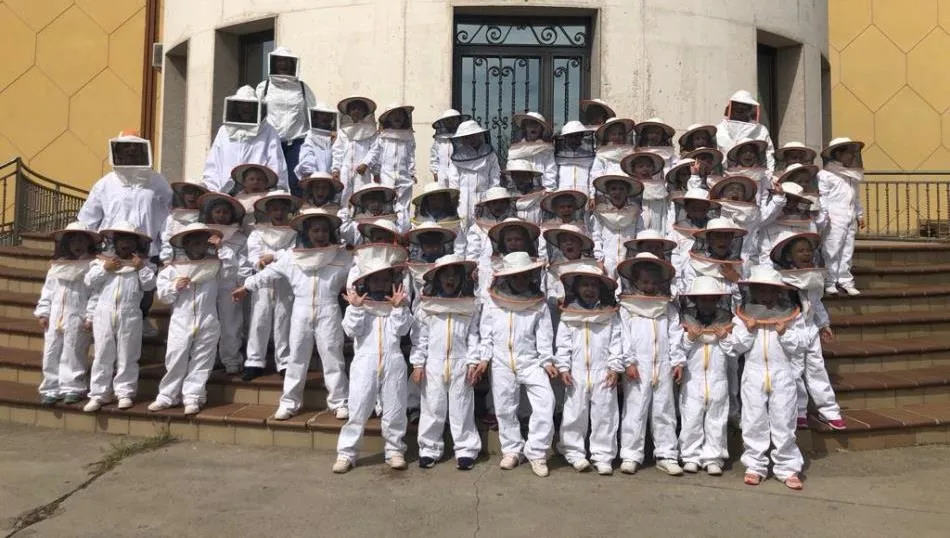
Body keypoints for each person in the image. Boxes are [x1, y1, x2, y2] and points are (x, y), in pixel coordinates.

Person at [234, 208, 352, 420]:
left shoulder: (342, 256)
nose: (321, 235)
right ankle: (290, 402)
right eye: (315, 230)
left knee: (333, 356)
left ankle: (339, 401)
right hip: (300, 310)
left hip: (329, 310)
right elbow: (269, 273)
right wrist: (247, 286)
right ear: (306, 232)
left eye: (325, 230)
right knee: (297, 356)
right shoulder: (291, 256)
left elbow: (356, 277)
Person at [77, 131, 172, 338]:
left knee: (144, 288)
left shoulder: (157, 182)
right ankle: (100, 322)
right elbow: (89, 216)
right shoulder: (105, 184)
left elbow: (168, 217)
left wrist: (167, 250)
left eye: (134, 150)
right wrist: (85, 243)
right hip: (112, 247)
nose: (130, 155)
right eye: (125, 151)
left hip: (146, 247)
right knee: (108, 286)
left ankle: (141, 318)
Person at [720, 265, 807, 490]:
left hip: (782, 373)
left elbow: (801, 345)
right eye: (761, 290)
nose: (765, 295)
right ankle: (755, 465)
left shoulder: (791, 315)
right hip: (754, 372)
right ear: (754, 291)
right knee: (754, 419)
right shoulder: (745, 314)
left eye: (770, 290)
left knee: (784, 420)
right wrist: (747, 331)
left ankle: (787, 467)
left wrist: (784, 333)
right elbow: (735, 348)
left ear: (779, 292)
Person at [479, 251, 556, 477]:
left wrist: (547, 359)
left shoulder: (538, 305)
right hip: (502, 360)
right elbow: (487, 333)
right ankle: (511, 450)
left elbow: (544, 335)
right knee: (504, 408)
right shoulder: (493, 302)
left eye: (525, 276)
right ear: (507, 278)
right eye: (517, 276)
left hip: (530, 360)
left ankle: (537, 452)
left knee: (546, 401)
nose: (521, 280)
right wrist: (485, 358)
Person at [332, 257, 411, 474]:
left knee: (395, 409)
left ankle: (395, 450)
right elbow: (350, 330)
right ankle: (346, 454)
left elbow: (403, 331)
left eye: (384, 279)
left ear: (391, 282)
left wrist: (398, 309)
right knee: (358, 409)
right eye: (374, 280)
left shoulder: (397, 304)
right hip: (364, 361)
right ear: (365, 282)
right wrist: (356, 308)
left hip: (393, 360)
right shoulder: (358, 305)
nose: (379, 284)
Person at [409, 254, 483, 470]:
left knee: (462, 407)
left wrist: (472, 362)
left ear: (462, 279)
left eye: (454, 275)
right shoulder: (426, 306)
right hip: (433, 363)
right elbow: (420, 337)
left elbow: (473, 336)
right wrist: (418, 364)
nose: (450, 279)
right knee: (433, 406)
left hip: (461, 363)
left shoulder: (471, 305)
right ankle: (429, 449)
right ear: (438, 278)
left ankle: (466, 449)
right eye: (446, 275)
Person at [615, 252, 684, 476]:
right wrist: (628, 362)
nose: (650, 286)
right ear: (634, 281)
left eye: (654, 282)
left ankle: (666, 454)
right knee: (635, 409)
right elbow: (623, 337)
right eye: (645, 281)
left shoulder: (668, 309)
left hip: (663, 364)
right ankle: (630, 454)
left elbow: (676, 337)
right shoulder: (626, 309)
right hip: (638, 366)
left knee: (664, 409)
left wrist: (678, 362)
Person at [770, 231, 846, 431]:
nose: (806, 254)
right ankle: (799, 411)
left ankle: (829, 410)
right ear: (788, 256)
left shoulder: (813, 276)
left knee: (816, 368)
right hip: (790, 329)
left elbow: (816, 303)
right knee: (794, 371)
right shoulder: (778, 278)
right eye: (800, 250)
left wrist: (823, 324)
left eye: (808, 250)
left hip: (810, 328)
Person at [555, 265, 624, 475]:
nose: (589, 289)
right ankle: (574, 452)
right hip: (576, 373)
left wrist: (615, 367)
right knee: (575, 413)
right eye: (584, 285)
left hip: (603, 372)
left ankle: (603, 456)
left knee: (605, 414)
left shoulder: (609, 315)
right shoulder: (568, 315)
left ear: (601, 288)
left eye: (594, 285)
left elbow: (617, 342)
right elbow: (563, 345)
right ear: (576, 288)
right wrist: (563, 367)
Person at [148, 223, 223, 415]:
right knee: (175, 358)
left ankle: (193, 397)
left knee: (202, 360)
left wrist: (219, 249)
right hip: (181, 320)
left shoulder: (216, 264)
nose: (198, 245)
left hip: (208, 318)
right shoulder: (171, 271)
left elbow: (231, 272)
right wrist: (175, 286)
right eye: (193, 242)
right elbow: (164, 297)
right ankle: (167, 396)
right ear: (185, 245)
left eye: (201, 241)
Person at [83, 222, 157, 412]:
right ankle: (99, 394)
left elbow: (150, 286)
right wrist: (105, 268)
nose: (126, 244)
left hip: (130, 313)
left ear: (136, 244)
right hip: (104, 313)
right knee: (102, 354)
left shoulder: (143, 264)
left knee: (128, 355)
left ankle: (124, 393)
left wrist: (141, 268)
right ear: (115, 242)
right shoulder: (102, 262)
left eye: (130, 240)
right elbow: (89, 282)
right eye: (122, 240)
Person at [34, 223, 100, 406]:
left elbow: (95, 294)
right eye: (73, 240)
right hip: (55, 316)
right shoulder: (57, 266)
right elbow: (47, 292)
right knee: (51, 352)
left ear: (88, 242)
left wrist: (90, 316)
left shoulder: (93, 266)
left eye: (81, 239)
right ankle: (51, 388)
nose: (77, 244)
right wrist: (43, 312)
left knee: (74, 352)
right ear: (66, 244)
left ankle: (73, 387)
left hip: (77, 316)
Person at [676, 276, 735, 475]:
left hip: (718, 379)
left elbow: (733, 351)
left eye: (711, 299)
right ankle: (690, 456)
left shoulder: (725, 322)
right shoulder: (686, 323)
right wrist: (689, 337)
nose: (707, 303)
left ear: (718, 301)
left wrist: (725, 337)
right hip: (692, 380)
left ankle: (713, 457)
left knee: (717, 419)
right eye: (703, 299)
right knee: (691, 418)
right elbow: (679, 351)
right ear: (695, 301)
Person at [242, 191, 302, 381]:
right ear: (268, 211)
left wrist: (274, 257)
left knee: (283, 320)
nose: (278, 213)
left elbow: (295, 253)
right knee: (259, 319)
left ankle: (284, 361)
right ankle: (254, 361)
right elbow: (252, 256)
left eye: (282, 209)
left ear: (288, 210)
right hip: (262, 282)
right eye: (274, 209)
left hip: (286, 281)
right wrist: (259, 263)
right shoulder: (257, 233)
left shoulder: (295, 233)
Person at [197, 192, 250, 374]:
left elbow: (243, 265)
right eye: (218, 211)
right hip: (205, 285)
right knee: (207, 324)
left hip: (229, 286)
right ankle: (208, 361)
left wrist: (241, 284)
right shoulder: (199, 233)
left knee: (231, 325)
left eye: (225, 213)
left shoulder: (239, 238)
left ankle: (232, 360)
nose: (221, 216)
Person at [255, 47, 317, 196]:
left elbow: (314, 115)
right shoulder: (264, 87)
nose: (284, 65)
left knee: (297, 183)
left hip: (297, 144)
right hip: (270, 143)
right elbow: (255, 115)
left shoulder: (303, 88)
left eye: (287, 61)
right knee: (271, 182)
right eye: (280, 61)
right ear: (274, 63)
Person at [203, 86, 288, 193]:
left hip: (257, 193)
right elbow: (213, 164)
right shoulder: (224, 131)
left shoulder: (268, 131)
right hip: (226, 194)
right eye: (242, 104)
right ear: (236, 106)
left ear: (257, 107)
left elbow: (276, 164)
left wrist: (276, 191)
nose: (245, 108)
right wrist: (213, 190)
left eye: (249, 105)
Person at [819, 137, 865, 296]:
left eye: (853, 153)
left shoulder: (850, 175)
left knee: (847, 251)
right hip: (833, 218)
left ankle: (846, 281)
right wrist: (824, 216)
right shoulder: (825, 175)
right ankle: (830, 282)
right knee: (832, 250)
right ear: (838, 154)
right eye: (848, 153)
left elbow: (855, 197)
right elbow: (822, 198)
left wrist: (860, 215)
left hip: (849, 217)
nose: (852, 156)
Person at [362, 104, 417, 217]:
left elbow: (411, 156)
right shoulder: (382, 137)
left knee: (404, 208)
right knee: (387, 206)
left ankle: (403, 230)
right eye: (394, 115)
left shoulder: (409, 137)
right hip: (387, 176)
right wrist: (369, 166)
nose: (397, 117)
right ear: (388, 118)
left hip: (404, 177)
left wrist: (411, 173)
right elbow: (375, 153)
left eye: (400, 115)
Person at [447, 119, 501, 226]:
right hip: (462, 200)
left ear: (480, 135)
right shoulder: (457, 158)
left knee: (484, 229)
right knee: (462, 228)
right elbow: (454, 184)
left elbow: (495, 180)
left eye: (474, 135)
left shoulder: (490, 155)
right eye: (467, 137)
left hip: (485, 199)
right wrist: (454, 202)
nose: (471, 139)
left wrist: (489, 200)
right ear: (462, 139)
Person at [590, 174, 645, 278]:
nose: (617, 192)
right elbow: (596, 237)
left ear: (627, 192)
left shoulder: (635, 213)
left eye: (621, 189)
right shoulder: (599, 213)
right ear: (607, 191)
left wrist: (635, 259)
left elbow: (640, 237)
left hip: (629, 261)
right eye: (613, 189)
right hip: (607, 261)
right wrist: (599, 260)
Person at [332, 96, 378, 211]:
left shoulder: (371, 131)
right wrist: (336, 169)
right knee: (343, 197)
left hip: (363, 171)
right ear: (348, 112)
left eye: (359, 108)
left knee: (361, 197)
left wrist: (366, 163)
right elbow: (337, 151)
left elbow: (375, 150)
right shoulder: (343, 131)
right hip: (345, 170)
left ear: (365, 111)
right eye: (353, 108)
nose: (356, 111)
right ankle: (343, 225)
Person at [709, 175, 761, 274]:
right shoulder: (714, 211)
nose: (735, 191)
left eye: (739, 189)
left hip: (747, 260)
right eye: (731, 189)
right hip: (718, 260)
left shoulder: (754, 213)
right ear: (722, 194)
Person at [716, 90, 776, 172]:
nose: (740, 109)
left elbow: (769, 155)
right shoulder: (720, 129)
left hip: (756, 177)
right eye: (737, 106)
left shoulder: (761, 130)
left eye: (744, 107)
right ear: (730, 107)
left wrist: (769, 176)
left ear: (750, 109)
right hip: (726, 177)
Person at [160, 179, 209, 264]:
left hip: (204, 264)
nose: (192, 196)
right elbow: (166, 243)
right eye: (189, 192)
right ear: (183, 195)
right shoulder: (172, 218)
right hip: (178, 264)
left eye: (196, 193)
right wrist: (167, 263)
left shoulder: (208, 218)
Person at [506, 111, 557, 191]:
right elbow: (510, 172)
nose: (533, 127)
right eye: (530, 124)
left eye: (536, 124)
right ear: (525, 128)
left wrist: (547, 191)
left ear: (541, 129)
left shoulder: (547, 150)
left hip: (540, 194)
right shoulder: (515, 150)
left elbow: (550, 173)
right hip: (519, 193)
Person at [620, 150, 668, 232]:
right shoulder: (631, 188)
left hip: (658, 227)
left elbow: (664, 213)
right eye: (640, 166)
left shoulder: (660, 188)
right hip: (637, 229)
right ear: (633, 170)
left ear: (653, 168)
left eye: (649, 166)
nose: (645, 169)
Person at [294, 103, 337, 182]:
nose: (325, 117)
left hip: (332, 178)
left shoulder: (336, 137)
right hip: (314, 180)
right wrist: (308, 172)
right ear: (315, 118)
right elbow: (307, 156)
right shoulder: (310, 137)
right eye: (321, 115)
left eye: (327, 115)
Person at [554, 120, 596, 197]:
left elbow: (593, 176)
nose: (573, 139)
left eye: (577, 136)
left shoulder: (588, 155)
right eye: (570, 136)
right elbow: (553, 176)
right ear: (565, 138)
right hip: (562, 195)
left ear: (582, 136)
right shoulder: (559, 156)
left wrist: (592, 195)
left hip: (584, 193)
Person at [230, 163, 280, 229]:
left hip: (269, 231)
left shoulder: (273, 197)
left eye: (259, 179)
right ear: (244, 182)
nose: (255, 182)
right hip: (244, 233)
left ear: (266, 183)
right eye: (251, 179)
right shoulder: (237, 199)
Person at [725, 138, 770, 205]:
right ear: (738, 155)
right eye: (744, 151)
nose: (748, 154)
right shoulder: (729, 174)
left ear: (756, 155)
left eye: (752, 152)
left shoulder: (764, 175)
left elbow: (765, 197)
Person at [430, 109, 469, 185]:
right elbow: (434, 156)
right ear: (444, 122)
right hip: (442, 174)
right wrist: (435, 172)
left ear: (459, 120)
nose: (450, 122)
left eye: (453, 119)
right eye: (447, 120)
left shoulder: (464, 138)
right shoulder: (439, 140)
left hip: (460, 175)